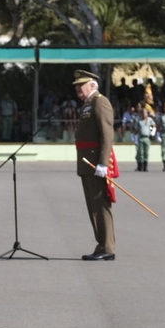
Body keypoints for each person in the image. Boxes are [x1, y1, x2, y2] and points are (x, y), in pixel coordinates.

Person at [72, 70, 118, 262]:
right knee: (93, 206)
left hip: (95, 163)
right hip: (86, 163)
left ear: (92, 85)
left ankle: (107, 247)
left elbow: (107, 134)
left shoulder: (100, 102)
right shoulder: (87, 105)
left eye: (80, 86)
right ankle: (101, 245)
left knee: (100, 205)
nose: (77, 90)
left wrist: (103, 164)